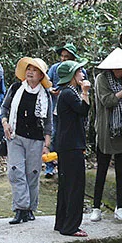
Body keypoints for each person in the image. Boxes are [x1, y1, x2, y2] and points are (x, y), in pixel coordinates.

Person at [91, 48, 122, 223]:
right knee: (102, 171)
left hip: (121, 131)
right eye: (121, 69)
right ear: (112, 67)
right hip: (106, 130)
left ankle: (120, 207)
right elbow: (108, 101)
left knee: (121, 172)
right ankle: (96, 207)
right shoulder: (101, 80)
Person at [2, 58, 53, 224]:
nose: (30, 72)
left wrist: (46, 144)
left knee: (32, 173)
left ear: (41, 76)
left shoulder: (45, 95)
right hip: (15, 136)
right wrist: (5, 123)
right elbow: (5, 108)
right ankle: (20, 208)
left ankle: (30, 208)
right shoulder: (16, 88)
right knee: (16, 171)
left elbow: (48, 122)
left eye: (34, 70)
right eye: (28, 69)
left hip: (36, 139)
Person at [54, 58, 91, 237]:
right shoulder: (69, 93)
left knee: (66, 185)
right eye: (79, 72)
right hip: (71, 146)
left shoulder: (66, 92)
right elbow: (83, 110)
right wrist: (85, 92)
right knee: (75, 186)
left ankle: (62, 223)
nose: (82, 75)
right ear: (71, 76)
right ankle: (70, 227)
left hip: (67, 144)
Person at [46, 43, 82, 178]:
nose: (63, 59)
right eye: (62, 56)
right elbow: (46, 82)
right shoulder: (55, 68)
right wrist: (51, 90)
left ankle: (64, 166)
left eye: (67, 57)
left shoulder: (79, 71)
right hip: (56, 109)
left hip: (72, 111)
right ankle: (50, 167)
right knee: (54, 136)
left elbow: (83, 87)